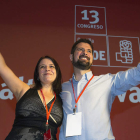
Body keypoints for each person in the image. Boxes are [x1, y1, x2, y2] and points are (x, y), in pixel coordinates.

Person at [59, 38, 140, 140]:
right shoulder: (61, 89)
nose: (85, 53)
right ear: (71, 57)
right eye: (80, 49)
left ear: (92, 58)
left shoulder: (107, 82)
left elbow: (136, 74)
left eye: (89, 51)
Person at [0, 53, 63, 140]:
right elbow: (2, 67)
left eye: (51, 66)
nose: (47, 69)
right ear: (37, 74)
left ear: (57, 72)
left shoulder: (63, 98)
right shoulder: (24, 89)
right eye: (42, 67)